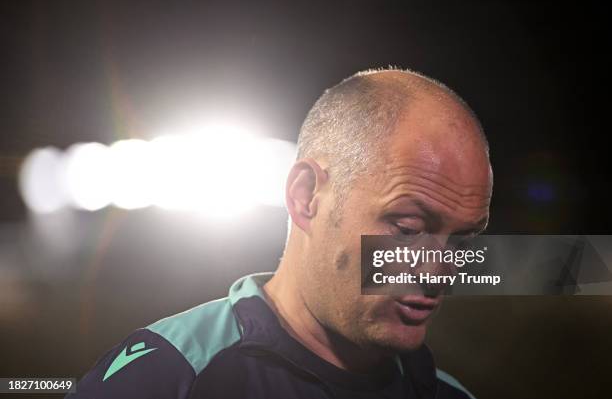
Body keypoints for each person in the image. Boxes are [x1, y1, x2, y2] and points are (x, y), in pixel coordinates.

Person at [67, 68, 492, 399]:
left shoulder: (448, 394)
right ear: (306, 196)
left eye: (462, 241)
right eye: (408, 228)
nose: (439, 271)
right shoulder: (171, 375)